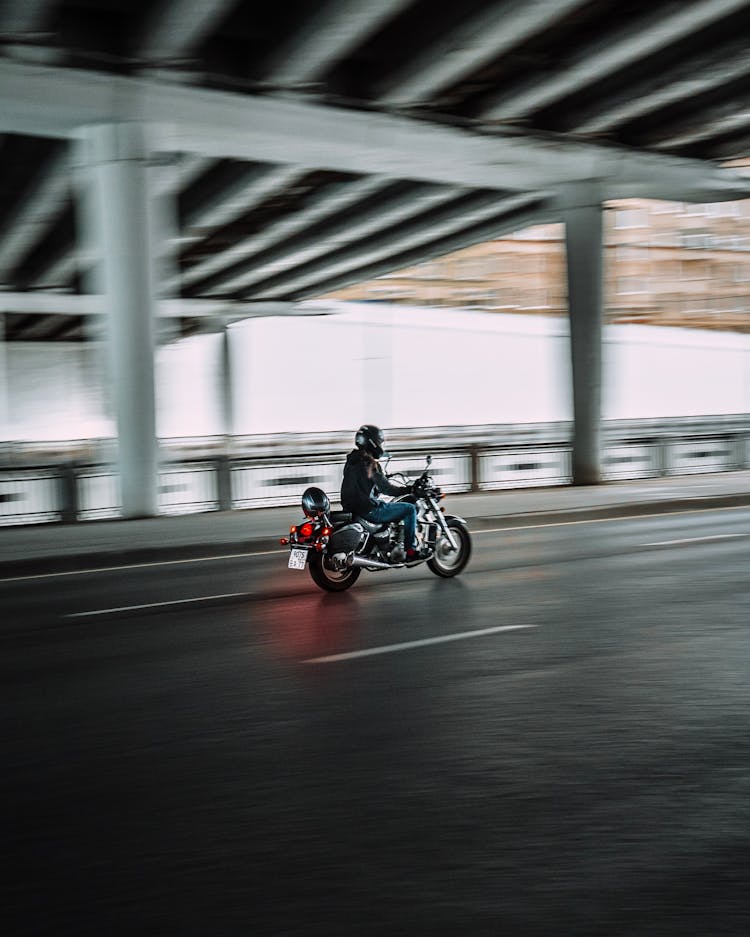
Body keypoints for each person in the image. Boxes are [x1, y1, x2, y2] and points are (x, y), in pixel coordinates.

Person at [340, 424, 430, 562]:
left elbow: (361, 484)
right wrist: (409, 490)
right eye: (380, 442)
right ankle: (411, 551)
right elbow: (387, 489)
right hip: (368, 509)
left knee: (386, 505)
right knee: (409, 509)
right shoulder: (369, 463)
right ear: (373, 442)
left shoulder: (352, 460)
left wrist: (379, 482)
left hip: (351, 508)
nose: (381, 445)